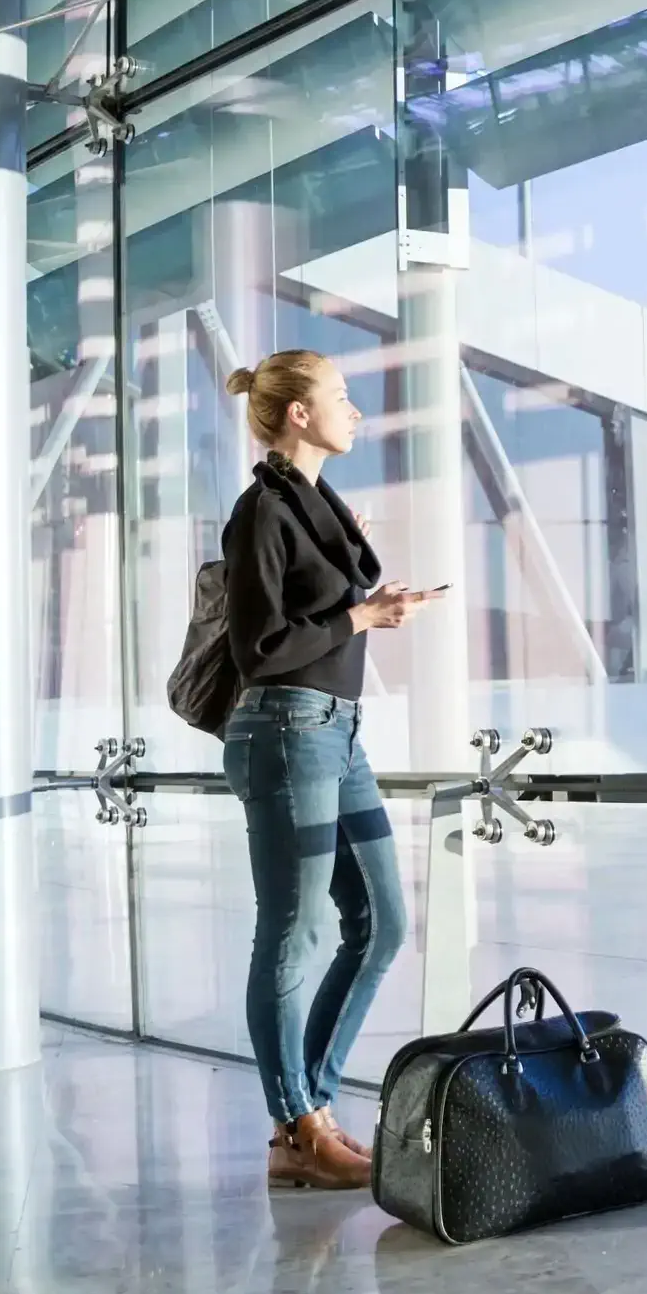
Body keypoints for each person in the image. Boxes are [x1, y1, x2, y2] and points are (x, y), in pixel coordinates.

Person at [220, 350, 442, 1190]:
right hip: (286, 730)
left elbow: (335, 608)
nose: (356, 412)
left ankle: (307, 1107)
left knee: (382, 921)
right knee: (293, 930)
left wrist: (372, 611)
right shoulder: (260, 515)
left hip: (339, 733)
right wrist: (359, 616)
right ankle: (299, 1125)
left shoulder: (314, 504)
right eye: (341, 399)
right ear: (299, 415)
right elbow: (259, 649)